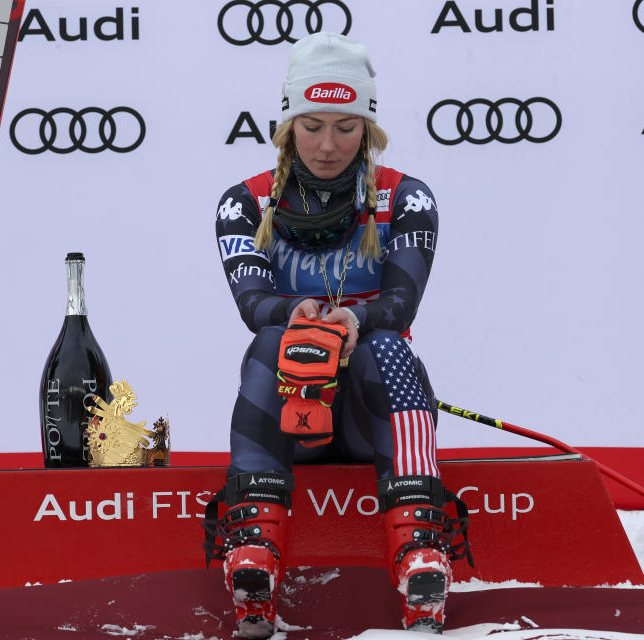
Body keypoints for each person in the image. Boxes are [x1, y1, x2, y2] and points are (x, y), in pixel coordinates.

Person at [204, 32, 470, 637]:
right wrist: (303, 313)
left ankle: (421, 552)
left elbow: (400, 304)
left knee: (386, 346)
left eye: (347, 128)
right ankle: (253, 556)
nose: (328, 146)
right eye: (312, 125)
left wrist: (355, 319)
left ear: (371, 131)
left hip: (368, 411)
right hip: (295, 414)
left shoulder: (405, 198)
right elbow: (254, 304)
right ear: (287, 126)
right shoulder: (244, 204)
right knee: (273, 341)